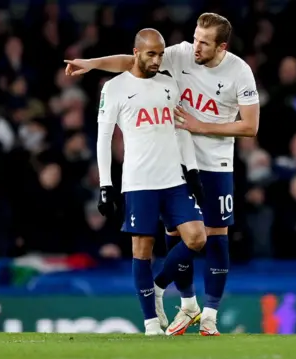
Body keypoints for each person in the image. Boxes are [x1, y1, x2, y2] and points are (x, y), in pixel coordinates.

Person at [66, 13, 260, 336]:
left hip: (217, 163)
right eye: (195, 38)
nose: (195, 46)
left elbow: (251, 126)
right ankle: (187, 304)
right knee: (176, 239)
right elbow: (134, 59)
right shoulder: (181, 54)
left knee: (216, 237)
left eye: (204, 43)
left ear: (221, 46)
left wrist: (202, 127)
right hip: (177, 164)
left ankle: (205, 313)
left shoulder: (240, 72)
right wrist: (91, 63)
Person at [95, 28, 206, 336]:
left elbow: (181, 129)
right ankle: (150, 325)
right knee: (142, 251)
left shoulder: (170, 84)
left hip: (173, 179)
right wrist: (106, 185)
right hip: (139, 182)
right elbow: (104, 139)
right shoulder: (114, 88)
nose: (157, 59)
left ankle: (158, 287)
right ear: (136, 53)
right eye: (151, 54)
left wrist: (193, 170)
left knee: (197, 237)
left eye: (160, 54)